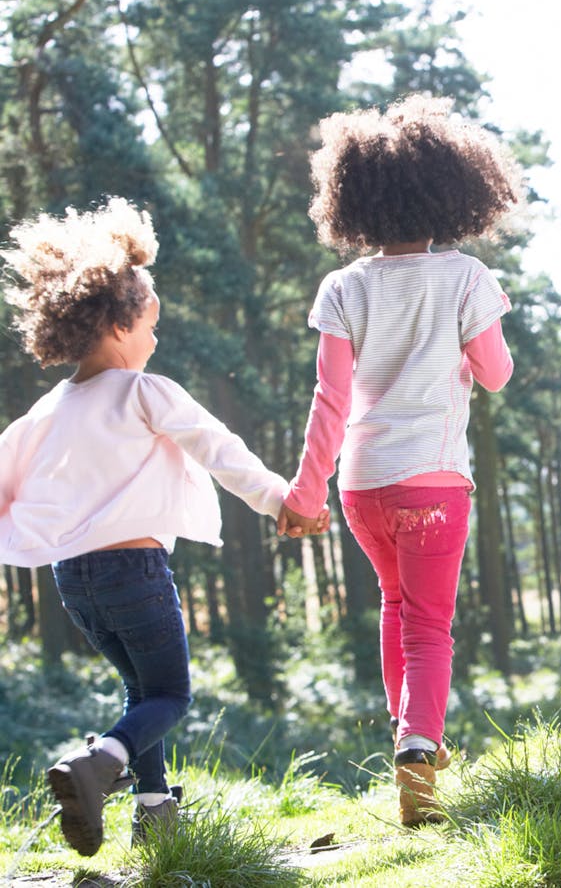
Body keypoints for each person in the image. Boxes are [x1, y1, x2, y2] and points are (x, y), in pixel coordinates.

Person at [0, 198, 324, 856]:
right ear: (120, 324)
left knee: (140, 688)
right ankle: (97, 765)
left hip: (74, 584)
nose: (155, 339)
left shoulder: (49, 408)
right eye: (151, 324)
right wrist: (281, 502)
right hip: (135, 574)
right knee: (171, 694)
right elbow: (221, 449)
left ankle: (153, 814)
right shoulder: (146, 391)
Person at [279, 95, 520, 826]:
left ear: (354, 202)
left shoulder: (344, 286)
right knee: (429, 625)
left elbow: (330, 399)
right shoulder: (465, 278)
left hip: (361, 487)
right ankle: (420, 746)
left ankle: (410, 733)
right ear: (453, 191)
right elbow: (498, 372)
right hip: (435, 482)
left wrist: (304, 490)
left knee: (395, 605)